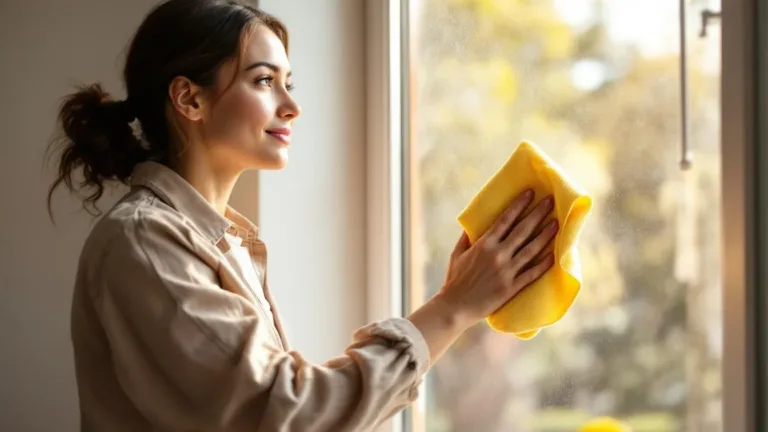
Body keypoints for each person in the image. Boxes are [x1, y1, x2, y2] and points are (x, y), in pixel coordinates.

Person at [46, 0, 559, 430]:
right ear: (189, 99)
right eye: (265, 80)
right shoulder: (144, 242)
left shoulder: (215, 241)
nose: (292, 105)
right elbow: (287, 413)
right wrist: (452, 307)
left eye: (289, 81)